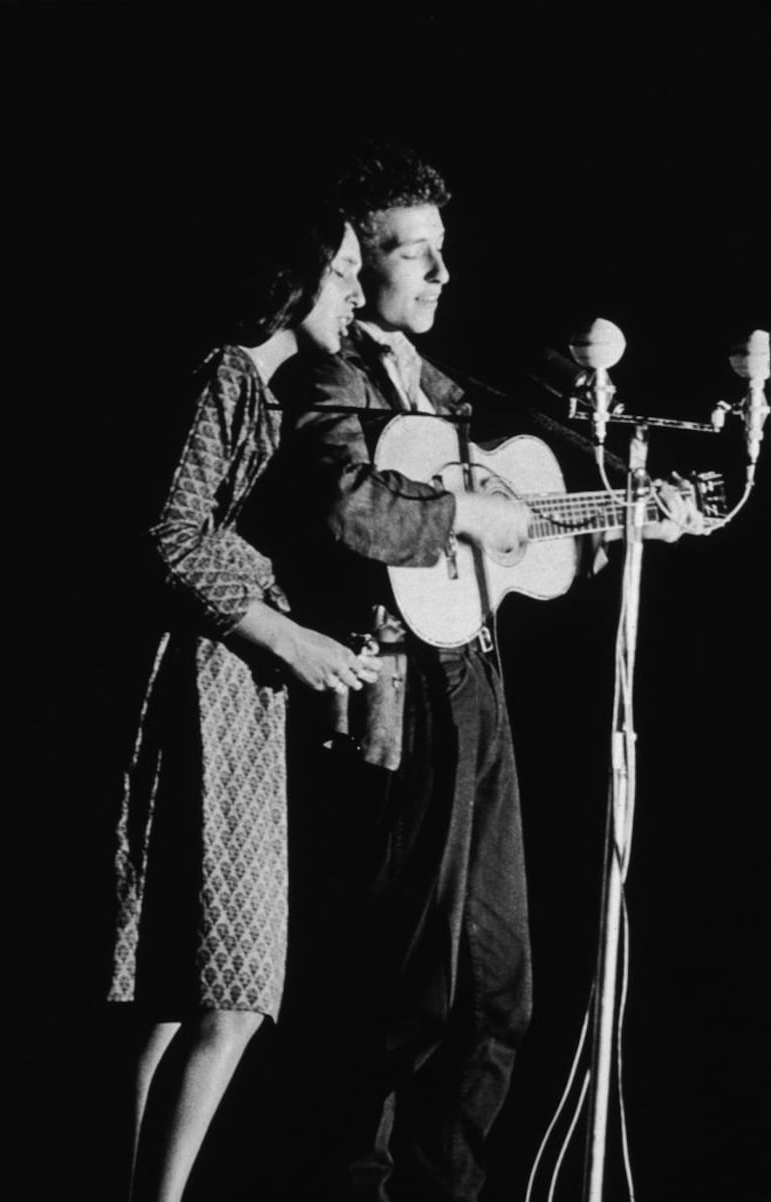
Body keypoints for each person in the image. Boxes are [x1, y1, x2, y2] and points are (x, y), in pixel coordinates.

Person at [268, 145, 703, 1202]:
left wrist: (627, 513)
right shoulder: (326, 372)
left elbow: (526, 516)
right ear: (354, 263)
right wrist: (466, 511)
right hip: (398, 693)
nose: (439, 273)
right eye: (410, 253)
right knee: (405, 991)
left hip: (475, 681)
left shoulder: (440, 385)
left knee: (499, 991)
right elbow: (347, 508)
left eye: (441, 250)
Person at [106, 204, 380, 1202]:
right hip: (205, 691)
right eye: (343, 271)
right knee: (226, 985)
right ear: (293, 275)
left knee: (184, 990)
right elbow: (169, 537)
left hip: (226, 694)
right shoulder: (228, 372)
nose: (355, 292)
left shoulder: (256, 389)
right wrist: (288, 638)